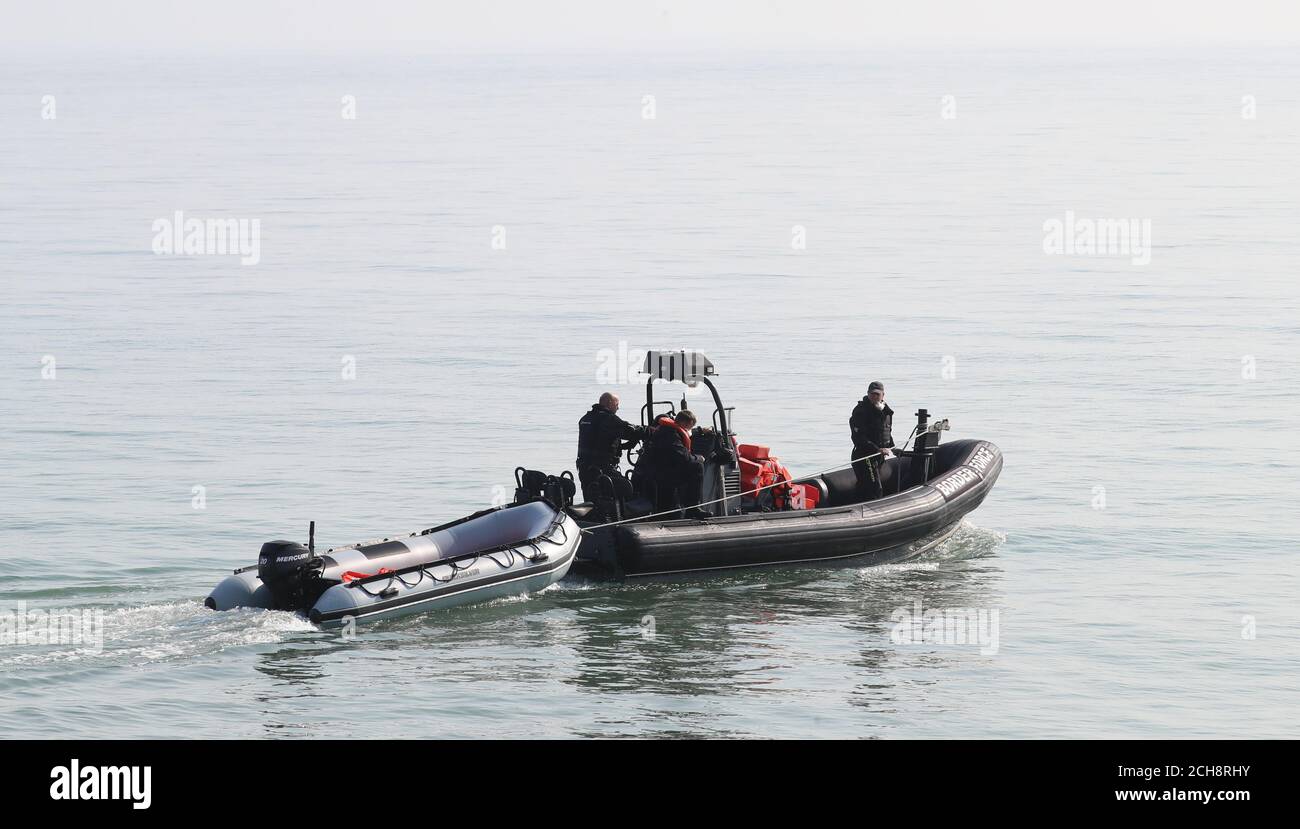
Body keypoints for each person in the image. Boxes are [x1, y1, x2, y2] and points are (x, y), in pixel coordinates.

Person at [576, 392, 644, 504]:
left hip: (584, 469)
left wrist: (621, 447)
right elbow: (630, 430)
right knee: (629, 489)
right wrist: (647, 431)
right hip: (603, 469)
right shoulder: (608, 419)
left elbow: (598, 442)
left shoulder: (585, 419)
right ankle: (622, 515)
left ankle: (595, 516)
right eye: (617, 405)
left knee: (591, 497)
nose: (618, 408)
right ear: (609, 403)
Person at [649, 409, 710, 519]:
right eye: (689, 426)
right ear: (684, 423)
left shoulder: (668, 429)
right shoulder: (671, 435)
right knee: (696, 466)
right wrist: (698, 458)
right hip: (665, 473)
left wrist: (700, 430)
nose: (689, 430)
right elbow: (683, 458)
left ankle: (684, 506)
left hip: (663, 469)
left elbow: (687, 435)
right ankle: (693, 508)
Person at [849, 381, 895, 500]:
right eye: (872, 394)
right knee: (875, 488)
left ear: (882, 395)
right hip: (864, 456)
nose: (874, 396)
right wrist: (877, 449)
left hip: (878, 457)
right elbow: (858, 438)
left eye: (877, 394)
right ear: (868, 394)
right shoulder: (860, 411)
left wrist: (893, 448)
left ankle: (855, 507)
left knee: (865, 486)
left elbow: (886, 433)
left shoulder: (886, 412)